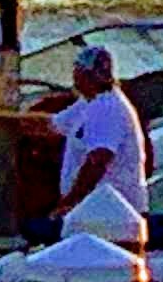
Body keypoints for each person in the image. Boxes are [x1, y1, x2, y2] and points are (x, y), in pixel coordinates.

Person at [52, 45, 148, 233]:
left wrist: (70, 202)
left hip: (113, 214)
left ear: (87, 76)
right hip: (94, 210)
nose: (74, 76)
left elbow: (97, 161)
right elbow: (51, 125)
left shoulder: (108, 107)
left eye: (77, 71)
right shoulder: (89, 103)